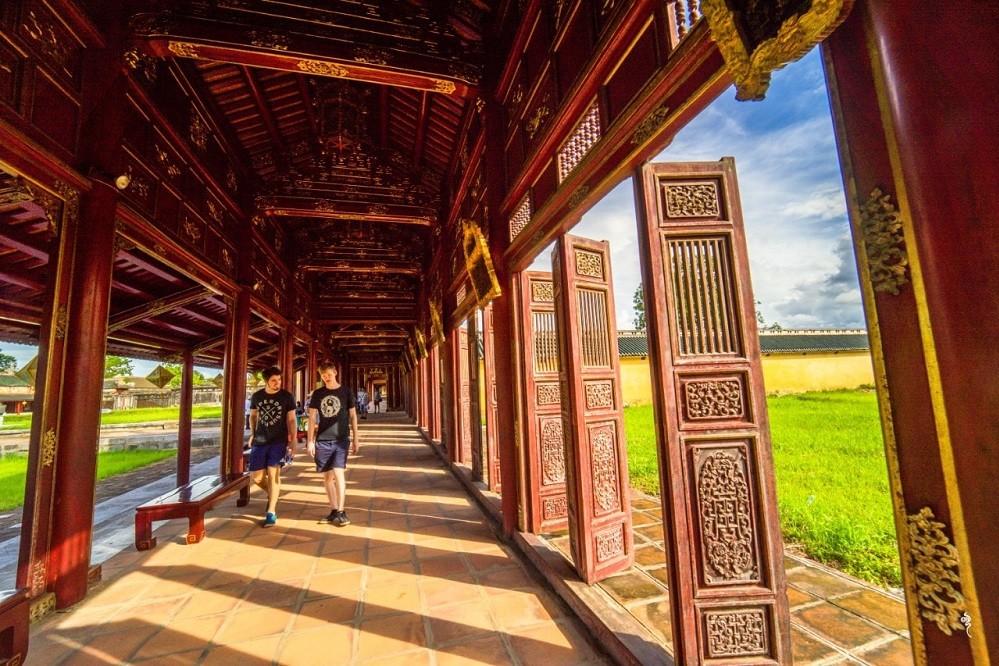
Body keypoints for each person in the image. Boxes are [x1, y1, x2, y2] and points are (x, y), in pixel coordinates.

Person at [308, 361, 359, 526]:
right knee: (327, 476)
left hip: (341, 439)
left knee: (339, 473)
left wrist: (356, 438)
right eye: (323, 376)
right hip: (322, 439)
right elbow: (311, 418)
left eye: (328, 375)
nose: (326, 378)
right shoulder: (318, 393)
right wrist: (310, 441)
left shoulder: (346, 392)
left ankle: (342, 511)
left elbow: (352, 416)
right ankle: (333, 509)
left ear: (335, 373)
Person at [247, 366, 297, 527]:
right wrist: (253, 434)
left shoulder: (286, 397)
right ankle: (273, 493)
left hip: (279, 440)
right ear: (266, 381)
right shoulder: (257, 396)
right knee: (257, 478)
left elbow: (291, 419)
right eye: (274, 381)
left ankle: (271, 512)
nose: (278, 383)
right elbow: (253, 416)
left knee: (274, 474)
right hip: (260, 440)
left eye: (279, 380)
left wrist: (293, 439)